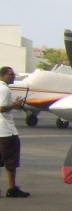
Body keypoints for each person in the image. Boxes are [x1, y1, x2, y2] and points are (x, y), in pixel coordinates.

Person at [0, 66, 29, 198]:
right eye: (11, 74)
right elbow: (1, 108)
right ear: (3, 75)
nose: (14, 76)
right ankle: (12, 188)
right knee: (11, 161)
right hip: (6, 131)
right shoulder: (4, 89)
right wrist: (15, 104)